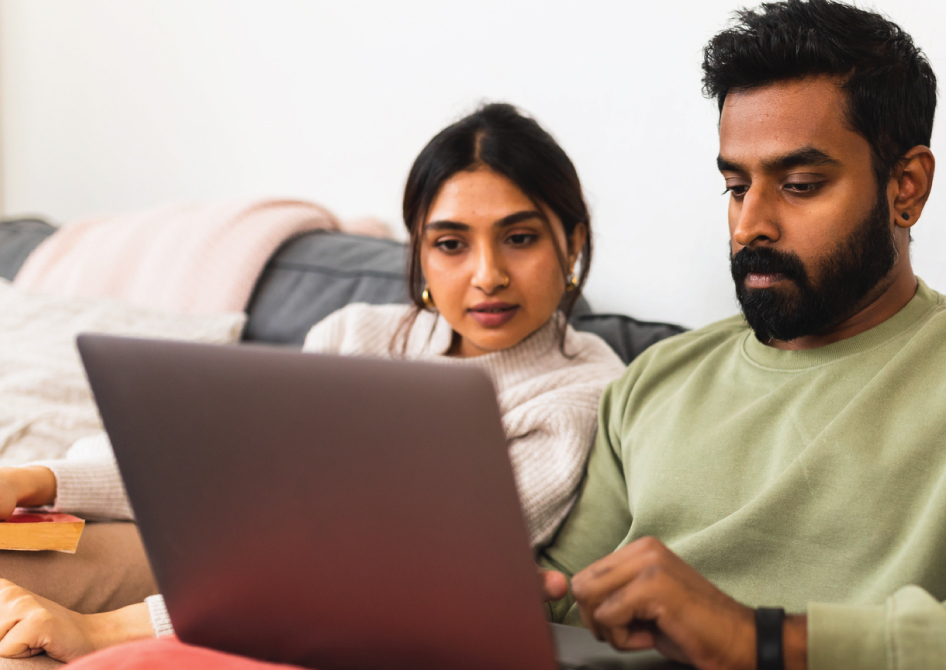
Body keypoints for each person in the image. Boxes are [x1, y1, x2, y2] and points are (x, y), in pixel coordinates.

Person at [48, 1, 946, 668]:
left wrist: (771, 636)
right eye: (733, 181)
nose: (750, 220)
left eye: (798, 181)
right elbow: (550, 603)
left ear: (905, 186)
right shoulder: (659, 383)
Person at [0, 102, 626, 662]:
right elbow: (212, 465)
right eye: (451, 244)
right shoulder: (354, 333)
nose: (487, 275)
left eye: (518, 238)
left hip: (293, 606)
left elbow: (387, 572)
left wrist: (109, 630)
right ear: (421, 254)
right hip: (211, 547)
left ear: (572, 243)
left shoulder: (577, 394)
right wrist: (36, 481)